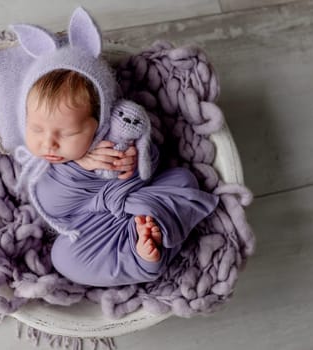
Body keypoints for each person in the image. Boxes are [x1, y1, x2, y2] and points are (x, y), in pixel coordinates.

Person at [22, 69, 219, 286]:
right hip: (91, 229)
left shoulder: (117, 138)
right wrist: (81, 166)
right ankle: (141, 257)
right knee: (63, 258)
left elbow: (149, 173)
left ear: (101, 122)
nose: (49, 143)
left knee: (183, 179)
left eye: (68, 133)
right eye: (36, 129)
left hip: (138, 203)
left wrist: (136, 160)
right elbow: (52, 207)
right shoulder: (40, 166)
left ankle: (147, 231)